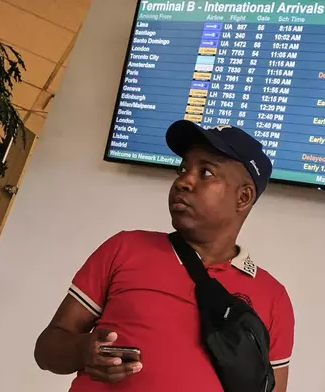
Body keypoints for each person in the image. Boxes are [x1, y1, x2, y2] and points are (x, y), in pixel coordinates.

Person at [34, 120, 295, 391]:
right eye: (183, 169)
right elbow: (47, 348)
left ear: (243, 197)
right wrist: (83, 351)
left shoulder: (273, 298)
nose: (184, 181)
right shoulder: (125, 249)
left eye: (206, 172)